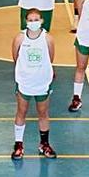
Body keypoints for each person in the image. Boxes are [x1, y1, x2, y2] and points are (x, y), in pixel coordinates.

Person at [13, 8, 56, 160]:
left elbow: (50, 58)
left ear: (42, 21)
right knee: (21, 112)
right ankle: (18, 145)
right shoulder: (20, 38)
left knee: (43, 113)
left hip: (42, 82)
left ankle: (44, 144)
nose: (33, 23)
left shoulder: (48, 38)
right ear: (26, 22)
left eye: (36, 20)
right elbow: (15, 56)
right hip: (24, 81)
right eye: (30, 20)